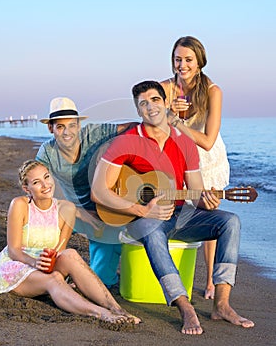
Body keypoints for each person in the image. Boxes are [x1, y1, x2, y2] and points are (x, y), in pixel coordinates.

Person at [91, 80, 254, 335]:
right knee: (152, 230)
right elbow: (99, 191)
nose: (150, 107)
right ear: (138, 111)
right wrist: (141, 209)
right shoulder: (126, 142)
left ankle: (221, 304)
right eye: (143, 103)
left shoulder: (185, 143)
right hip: (139, 218)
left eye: (155, 100)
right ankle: (184, 306)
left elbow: (197, 193)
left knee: (230, 222)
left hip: (180, 214)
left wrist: (207, 200)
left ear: (166, 103)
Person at [0, 160, 140, 325]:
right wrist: (35, 262)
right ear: (27, 188)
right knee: (54, 279)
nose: (45, 185)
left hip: (44, 265)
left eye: (47, 177)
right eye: (37, 182)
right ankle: (101, 313)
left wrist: (52, 266)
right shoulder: (20, 205)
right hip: (17, 266)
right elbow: (13, 251)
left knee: (70, 254)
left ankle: (116, 309)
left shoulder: (66, 209)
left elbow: (60, 251)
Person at [35, 97, 138, 288]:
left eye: (72, 126)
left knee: (102, 281)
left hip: (105, 212)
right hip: (69, 210)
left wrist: (109, 148)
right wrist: (77, 212)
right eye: (60, 127)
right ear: (51, 128)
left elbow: (134, 127)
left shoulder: (95, 133)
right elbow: (38, 188)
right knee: (41, 233)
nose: (67, 133)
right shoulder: (47, 151)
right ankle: (54, 273)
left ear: (79, 125)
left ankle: (94, 270)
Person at [161, 36, 230, 299]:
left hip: (206, 158)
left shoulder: (213, 91)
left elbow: (208, 141)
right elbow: (144, 116)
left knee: (210, 212)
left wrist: (177, 123)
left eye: (188, 59)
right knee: (174, 208)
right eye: (178, 59)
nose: (182, 65)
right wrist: (167, 110)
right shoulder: (165, 88)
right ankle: (169, 267)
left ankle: (212, 279)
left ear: (199, 61)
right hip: (177, 158)